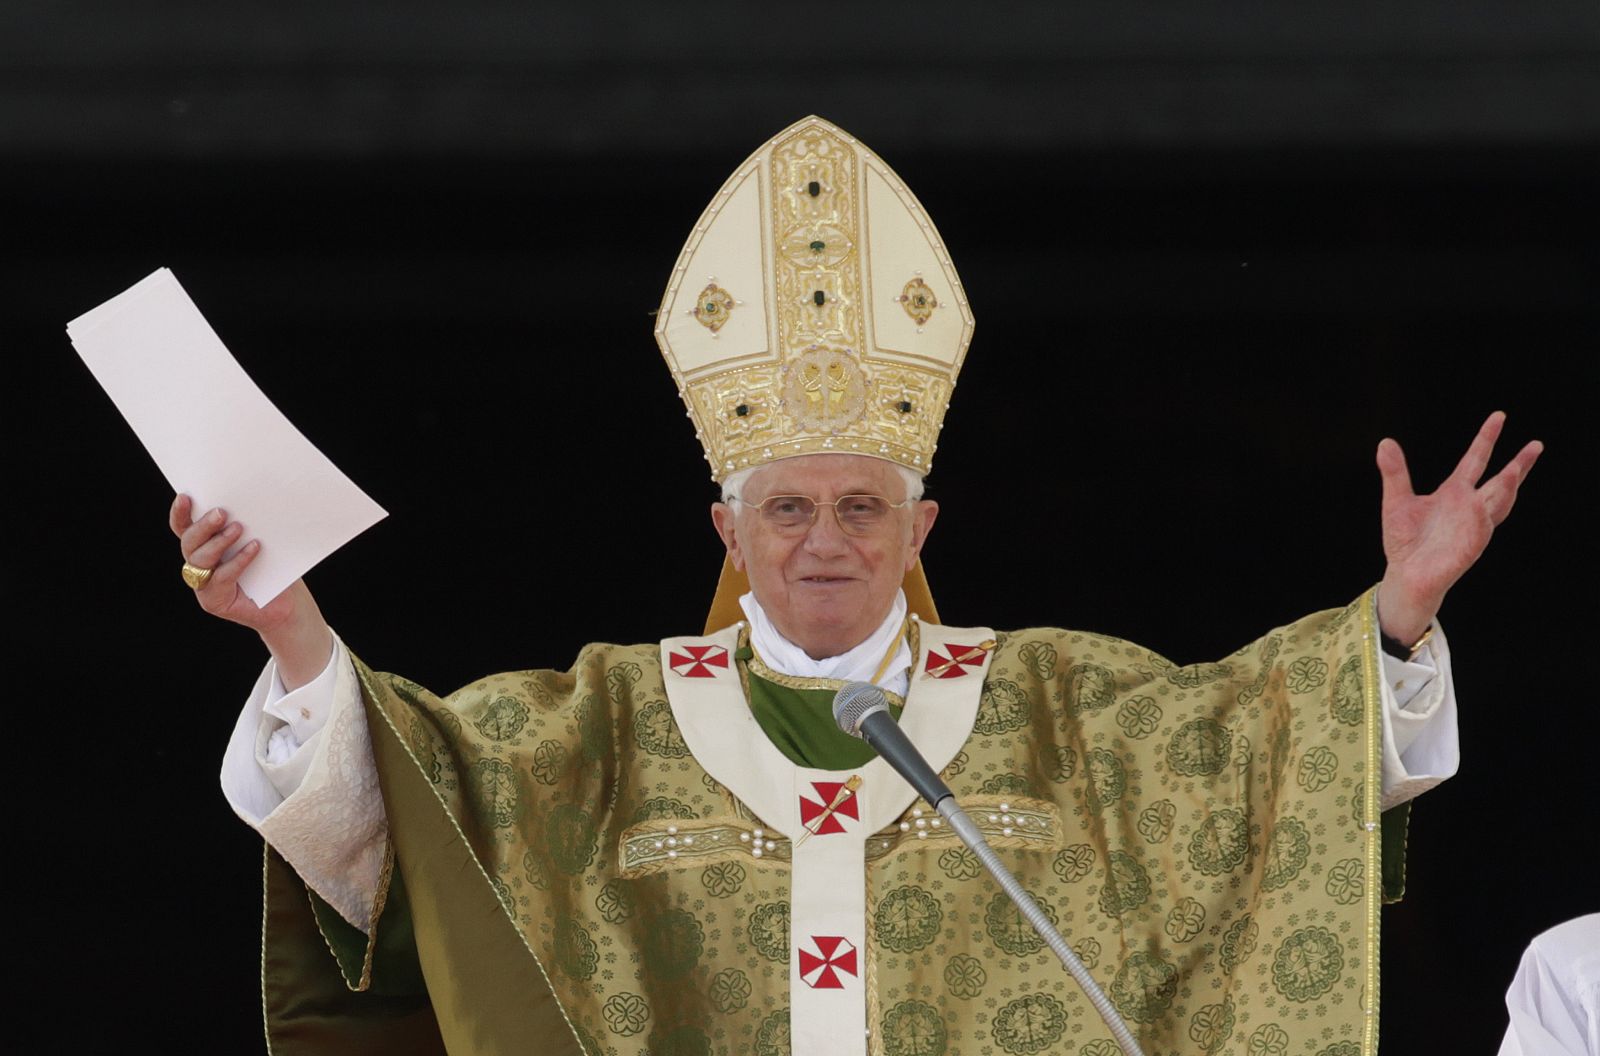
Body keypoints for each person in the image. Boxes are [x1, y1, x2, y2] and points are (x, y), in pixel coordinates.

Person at [173, 117, 1541, 1056]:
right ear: (726, 525)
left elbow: (1260, 764)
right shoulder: (596, 731)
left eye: (860, 507)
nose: (823, 539)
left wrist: (1399, 610)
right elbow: (408, 809)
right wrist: (289, 625)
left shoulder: (1065, 707)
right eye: (786, 508)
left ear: (921, 519)